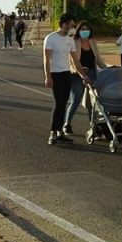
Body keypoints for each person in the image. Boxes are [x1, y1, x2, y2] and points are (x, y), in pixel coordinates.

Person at [43, 13, 86, 145]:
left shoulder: (70, 40)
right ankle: (52, 133)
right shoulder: (51, 38)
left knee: (64, 103)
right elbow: (46, 59)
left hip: (66, 74)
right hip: (55, 74)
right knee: (59, 103)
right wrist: (48, 77)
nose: (73, 27)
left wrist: (84, 76)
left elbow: (75, 60)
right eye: (71, 25)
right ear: (64, 24)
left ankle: (60, 132)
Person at [62, 21, 109, 135]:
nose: (85, 31)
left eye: (87, 29)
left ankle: (93, 125)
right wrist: (80, 70)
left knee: (91, 102)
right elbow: (72, 61)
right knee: (76, 100)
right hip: (77, 74)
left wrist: (108, 68)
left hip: (92, 74)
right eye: (82, 29)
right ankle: (67, 124)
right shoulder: (74, 42)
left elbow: (98, 59)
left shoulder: (92, 43)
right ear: (78, 31)